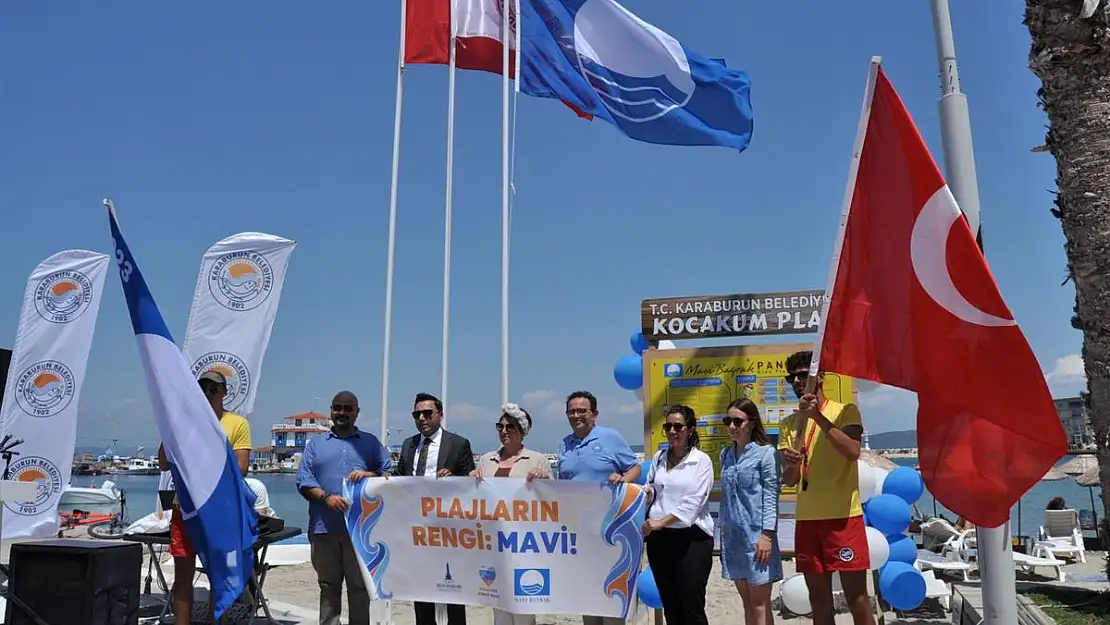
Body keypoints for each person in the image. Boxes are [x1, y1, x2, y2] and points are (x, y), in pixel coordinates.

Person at [778, 351, 872, 625]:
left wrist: (816, 416)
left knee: (857, 599)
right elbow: (790, 479)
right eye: (792, 377)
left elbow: (853, 451)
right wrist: (792, 463)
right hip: (808, 519)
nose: (797, 381)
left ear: (819, 377)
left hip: (844, 518)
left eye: (803, 375)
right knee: (819, 601)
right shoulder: (789, 424)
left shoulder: (845, 410)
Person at [157, 370, 252, 625]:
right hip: (186, 509)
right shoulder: (181, 421)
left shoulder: (237, 424)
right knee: (183, 574)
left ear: (224, 392)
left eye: (214, 389)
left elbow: (241, 468)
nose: (208, 393)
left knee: (217, 574)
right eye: (203, 388)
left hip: (219, 511)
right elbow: (164, 463)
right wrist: (170, 428)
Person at [296, 391, 392, 625]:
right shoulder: (315, 445)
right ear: (331, 410)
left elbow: (389, 475)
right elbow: (304, 481)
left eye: (348, 408)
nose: (342, 413)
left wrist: (370, 475)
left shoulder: (370, 443)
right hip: (323, 528)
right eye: (337, 407)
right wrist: (327, 498)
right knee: (328, 586)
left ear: (357, 413)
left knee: (359, 588)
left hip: (361, 531)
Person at [558, 390, 641, 625]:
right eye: (571, 411)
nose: (576, 415)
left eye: (582, 411)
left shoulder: (610, 437)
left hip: (611, 531)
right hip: (579, 533)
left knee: (612, 597)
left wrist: (624, 480)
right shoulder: (565, 444)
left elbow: (635, 468)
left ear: (594, 414)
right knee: (588, 596)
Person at [395, 392, 475, 625]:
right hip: (417, 529)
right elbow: (400, 479)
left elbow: (470, 484)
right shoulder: (409, 445)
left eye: (427, 413)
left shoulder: (458, 443)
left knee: (453, 591)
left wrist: (455, 477)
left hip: (449, 530)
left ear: (440, 415)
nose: (422, 418)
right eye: (417, 414)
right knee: (421, 591)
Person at [472, 403, 551, 625]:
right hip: (493, 542)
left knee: (523, 603)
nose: (504, 431)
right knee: (498, 604)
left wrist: (544, 480)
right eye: (500, 426)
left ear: (522, 431)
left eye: (510, 427)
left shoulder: (537, 460)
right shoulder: (487, 459)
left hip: (524, 542)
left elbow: (554, 500)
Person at [642, 405, 714, 625]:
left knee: (691, 605)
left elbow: (692, 503)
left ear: (690, 429)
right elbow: (651, 490)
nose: (672, 431)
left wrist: (660, 522)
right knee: (670, 606)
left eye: (678, 426)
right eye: (668, 426)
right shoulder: (659, 457)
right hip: (660, 541)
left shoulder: (701, 461)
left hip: (692, 540)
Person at [719, 398, 781, 625]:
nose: (732, 426)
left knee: (760, 604)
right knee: (747, 603)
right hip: (734, 538)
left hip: (757, 538)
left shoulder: (766, 453)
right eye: (728, 421)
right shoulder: (725, 455)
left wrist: (767, 535)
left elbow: (771, 496)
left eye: (738, 421)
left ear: (752, 423)